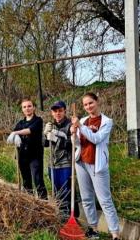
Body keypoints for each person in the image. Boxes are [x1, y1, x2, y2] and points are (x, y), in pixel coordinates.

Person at [71, 92, 120, 240]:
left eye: (90, 103)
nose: (88, 107)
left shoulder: (106, 121)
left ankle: (115, 233)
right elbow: (79, 143)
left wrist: (80, 126)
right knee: (86, 198)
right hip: (81, 163)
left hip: (98, 165)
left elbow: (96, 139)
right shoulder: (84, 120)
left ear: (97, 101)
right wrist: (73, 133)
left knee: (105, 200)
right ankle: (93, 229)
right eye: (85, 105)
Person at [43, 100, 79, 219]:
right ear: (52, 113)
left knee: (67, 190)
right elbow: (45, 144)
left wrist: (57, 138)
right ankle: (63, 215)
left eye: (60, 111)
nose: (57, 113)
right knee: (57, 191)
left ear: (64, 111)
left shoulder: (70, 125)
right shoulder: (50, 125)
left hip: (66, 163)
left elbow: (72, 145)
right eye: (55, 111)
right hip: (52, 163)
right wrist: (45, 134)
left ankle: (71, 216)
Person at [11, 98, 47, 199]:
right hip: (22, 156)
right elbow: (13, 133)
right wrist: (15, 136)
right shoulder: (20, 123)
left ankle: (44, 204)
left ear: (34, 107)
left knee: (38, 180)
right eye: (24, 107)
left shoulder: (38, 120)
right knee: (26, 181)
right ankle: (29, 203)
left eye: (29, 106)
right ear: (22, 109)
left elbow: (30, 130)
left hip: (35, 155)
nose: (27, 109)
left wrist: (16, 133)